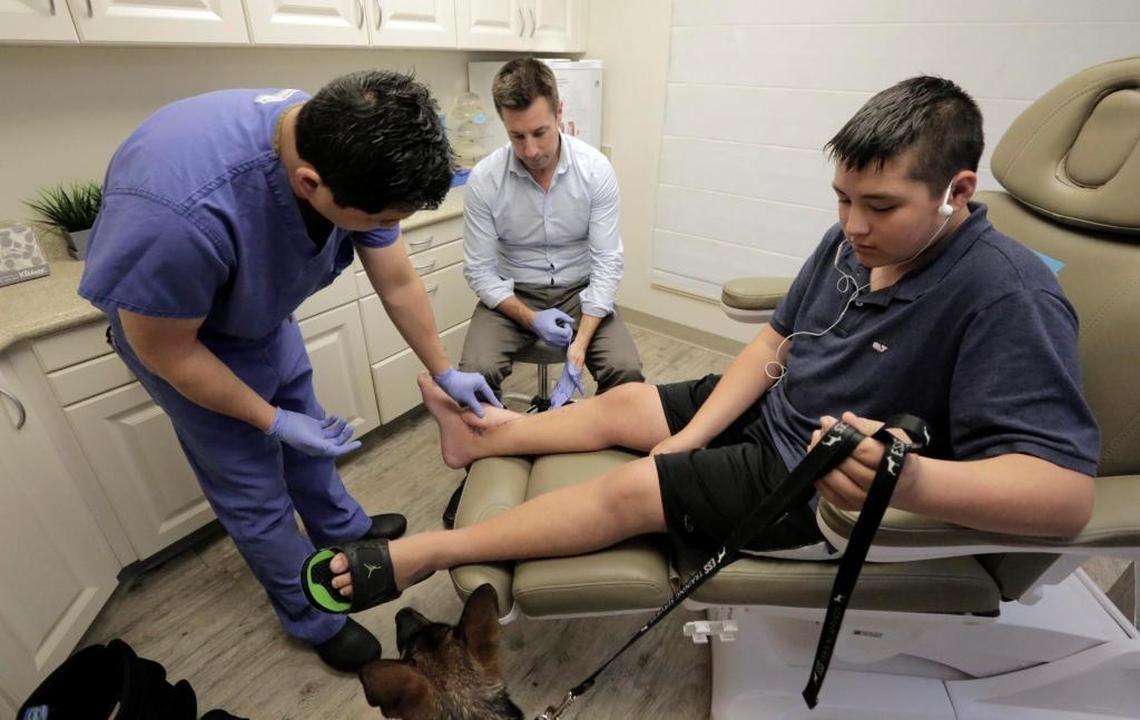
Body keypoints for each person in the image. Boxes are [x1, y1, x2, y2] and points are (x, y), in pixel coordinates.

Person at [302, 75, 1100, 611]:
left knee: (629, 489)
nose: (852, 225)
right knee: (630, 405)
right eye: (842, 199)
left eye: (880, 206)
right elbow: (773, 344)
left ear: (957, 191)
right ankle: (484, 434)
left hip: (811, 481)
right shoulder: (854, 242)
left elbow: (1065, 497)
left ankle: (435, 551)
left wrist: (911, 481)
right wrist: (685, 437)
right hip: (785, 409)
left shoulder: (1009, 293)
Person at [78, 71, 500, 672]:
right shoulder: (175, 219)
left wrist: (442, 368)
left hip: (259, 312)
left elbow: (397, 276)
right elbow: (168, 352)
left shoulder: (345, 138)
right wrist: (267, 418)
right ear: (310, 184)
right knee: (253, 486)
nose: (384, 225)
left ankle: (342, 530)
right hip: (185, 339)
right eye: (377, 216)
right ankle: (311, 613)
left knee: (312, 435)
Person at [459, 58, 644, 407]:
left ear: (559, 113)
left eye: (540, 132)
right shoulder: (485, 179)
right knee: (476, 373)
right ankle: (498, 454)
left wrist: (579, 348)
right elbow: (480, 270)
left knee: (626, 371)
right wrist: (529, 317)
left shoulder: (596, 171)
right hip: (512, 293)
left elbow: (607, 263)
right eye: (517, 136)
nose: (530, 150)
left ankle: (603, 453)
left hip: (580, 291)